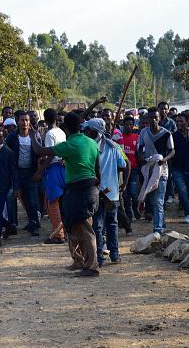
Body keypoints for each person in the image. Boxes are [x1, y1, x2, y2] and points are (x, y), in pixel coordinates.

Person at [29, 112, 101, 277]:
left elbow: (40, 151)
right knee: (73, 225)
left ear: (66, 129)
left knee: (84, 228)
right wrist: (98, 184)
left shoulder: (69, 145)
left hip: (79, 190)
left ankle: (92, 266)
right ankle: (80, 261)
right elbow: (97, 167)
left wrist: (33, 135)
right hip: (89, 188)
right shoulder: (91, 142)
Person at [83, 118, 129, 267]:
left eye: (88, 130)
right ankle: (114, 254)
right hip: (112, 192)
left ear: (94, 131)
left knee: (98, 226)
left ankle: (100, 257)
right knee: (111, 224)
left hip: (98, 193)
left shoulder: (90, 147)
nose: (85, 132)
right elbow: (123, 165)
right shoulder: (113, 146)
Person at [137, 108, 175, 233]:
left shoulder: (166, 133)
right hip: (148, 169)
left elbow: (172, 151)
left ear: (159, 118)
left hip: (161, 170)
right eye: (151, 117)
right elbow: (140, 148)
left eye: (156, 117)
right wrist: (141, 157)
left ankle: (157, 229)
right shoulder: (143, 132)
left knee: (159, 200)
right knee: (152, 200)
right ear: (147, 119)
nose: (153, 120)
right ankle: (161, 223)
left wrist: (164, 159)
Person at [5, 111, 42, 237]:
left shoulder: (35, 136)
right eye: (22, 120)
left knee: (31, 199)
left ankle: (33, 223)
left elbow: (39, 154)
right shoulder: (12, 137)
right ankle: (13, 224)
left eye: (27, 120)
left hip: (30, 172)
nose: (25, 122)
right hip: (16, 172)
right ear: (17, 122)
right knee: (11, 196)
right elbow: (8, 155)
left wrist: (38, 171)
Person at [34, 108, 66, 244]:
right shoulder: (61, 132)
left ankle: (59, 235)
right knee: (60, 202)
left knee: (52, 203)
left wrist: (40, 170)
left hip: (53, 168)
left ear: (45, 119)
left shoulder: (49, 134)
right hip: (63, 167)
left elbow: (51, 153)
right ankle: (63, 230)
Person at [171, 112, 189, 224]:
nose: (179, 123)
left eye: (181, 121)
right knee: (181, 191)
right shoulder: (173, 136)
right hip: (177, 168)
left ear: (187, 122)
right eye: (177, 121)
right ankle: (188, 214)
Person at [121, 116, 140, 221]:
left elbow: (139, 152)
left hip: (133, 169)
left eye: (130, 125)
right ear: (123, 125)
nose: (128, 126)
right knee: (125, 194)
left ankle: (135, 207)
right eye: (126, 124)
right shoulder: (119, 137)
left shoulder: (136, 137)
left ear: (133, 126)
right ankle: (128, 215)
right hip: (122, 170)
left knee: (133, 192)